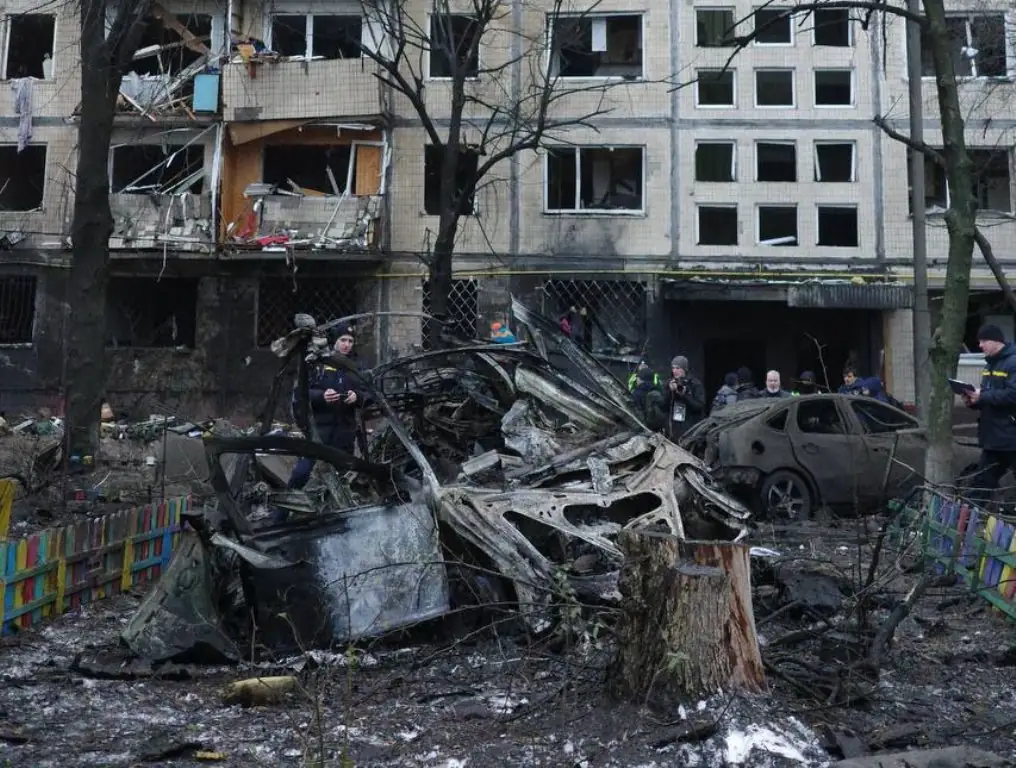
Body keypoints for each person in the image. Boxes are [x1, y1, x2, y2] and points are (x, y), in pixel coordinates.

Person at [276, 326, 367, 522]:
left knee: (342, 480)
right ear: (334, 341)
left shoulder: (356, 366)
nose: (347, 345)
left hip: (344, 433)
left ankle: (338, 521)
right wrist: (322, 396)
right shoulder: (318, 364)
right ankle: (278, 517)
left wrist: (357, 397)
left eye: (350, 341)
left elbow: (370, 393)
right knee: (301, 474)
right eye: (343, 340)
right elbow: (302, 394)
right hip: (319, 432)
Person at [962, 324, 1016, 508]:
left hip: (1010, 435)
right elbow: (989, 395)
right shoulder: (990, 364)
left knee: (983, 482)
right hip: (995, 436)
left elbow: (1013, 394)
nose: (980, 345)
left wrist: (982, 396)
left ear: (996, 341)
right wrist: (973, 401)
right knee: (982, 482)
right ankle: (967, 518)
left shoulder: (1013, 363)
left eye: (984, 341)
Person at [664, 355, 705, 440]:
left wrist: (684, 396)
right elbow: (663, 406)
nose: (674, 371)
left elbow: (700, 406)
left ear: (684, 369)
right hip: (673, 427)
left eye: (678, 368)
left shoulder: (694, 384)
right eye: (673, 368)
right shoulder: (669, 383)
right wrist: (670, 392)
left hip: (689, 427)